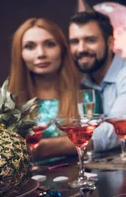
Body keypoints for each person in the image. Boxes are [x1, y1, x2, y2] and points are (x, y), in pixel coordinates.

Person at [68, 11, 126, 151]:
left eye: (90, 40)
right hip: (103, 165)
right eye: (75, 42)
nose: (81, 49)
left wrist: (45, 148)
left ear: (110, 42)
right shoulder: (82, 82)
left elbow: (115, 130)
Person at [9, 18, 79, 159]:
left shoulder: (85, 97)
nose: (41, 53)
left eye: (50, 44)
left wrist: (42, 148)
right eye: (30, 46)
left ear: (63, 50)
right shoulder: (8, 103)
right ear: (20, 54)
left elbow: (95, 142)